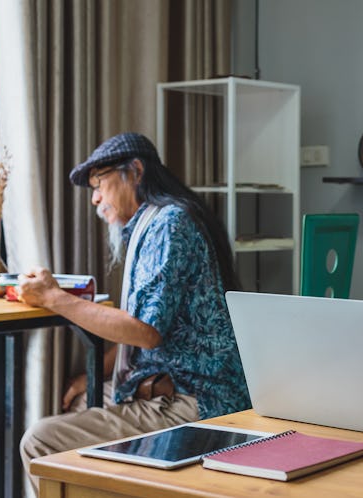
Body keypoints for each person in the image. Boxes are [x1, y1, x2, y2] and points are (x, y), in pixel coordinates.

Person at [18, 132, 251, 490]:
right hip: (176, 384)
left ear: (136, 171)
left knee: (39, 440)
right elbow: (153, 335)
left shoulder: (168, 224)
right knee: (79, 399)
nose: (95, 197)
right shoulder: (167, 218)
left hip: (196, 400)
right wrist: (93, 373)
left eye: (99, 182)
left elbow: (144, 330)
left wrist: (53, 297)